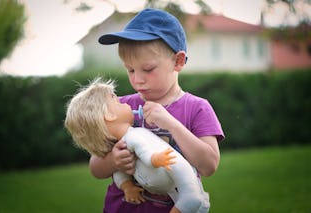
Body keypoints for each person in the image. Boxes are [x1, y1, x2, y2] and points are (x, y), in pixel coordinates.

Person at [91, 8, 225, 213]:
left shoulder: (197, 108)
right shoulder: (119, 106)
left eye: (148, 69)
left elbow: (209, 166)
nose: (137, 79)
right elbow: (95, 168)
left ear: (178, 61)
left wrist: (171, 123)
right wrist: (113, 161)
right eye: (130, 70)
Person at [64, 78, 210, 213]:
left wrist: (155, 160)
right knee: (189, 197)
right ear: (109, 115)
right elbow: (119, 170)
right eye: (117, 102)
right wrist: (127, 184)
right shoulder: (129, 138)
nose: (123, 101)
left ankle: (191, 201)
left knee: (188, 194)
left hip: (174, 169)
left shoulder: (134, 135)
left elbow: (144, 151)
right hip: (162, 176)